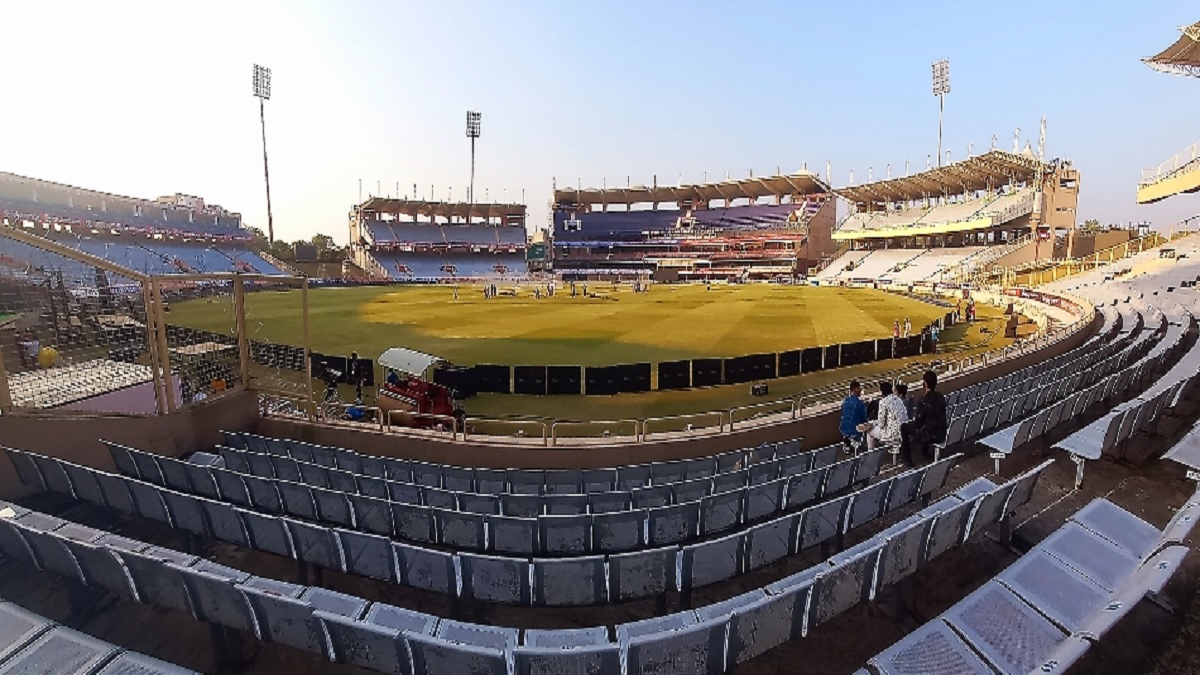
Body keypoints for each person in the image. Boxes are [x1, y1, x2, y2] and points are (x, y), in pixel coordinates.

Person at [900, 370, 948, 466]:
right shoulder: (941, 397)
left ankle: (907, 458)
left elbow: (918, 424)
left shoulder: (923, 401)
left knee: (904, 427)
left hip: (930, 435)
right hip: (941, 433)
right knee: (928, 423)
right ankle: (925, 452)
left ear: (925, 384)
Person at [866, 381, 908, 451]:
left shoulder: (883, 402)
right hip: (902, 433)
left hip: (891, 436)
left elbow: (881, 423)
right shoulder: (899, 399)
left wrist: (873, 423)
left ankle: (870, 453)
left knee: (869, 431)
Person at [839, 380, 868, 452]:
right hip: (854, 431)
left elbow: (843, 414)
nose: (861, 390)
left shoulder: (845, 401)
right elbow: (864, 420)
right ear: (856, 389)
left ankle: (848, 441)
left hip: (843, 430)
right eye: (859, 388)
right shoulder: (859, 403)